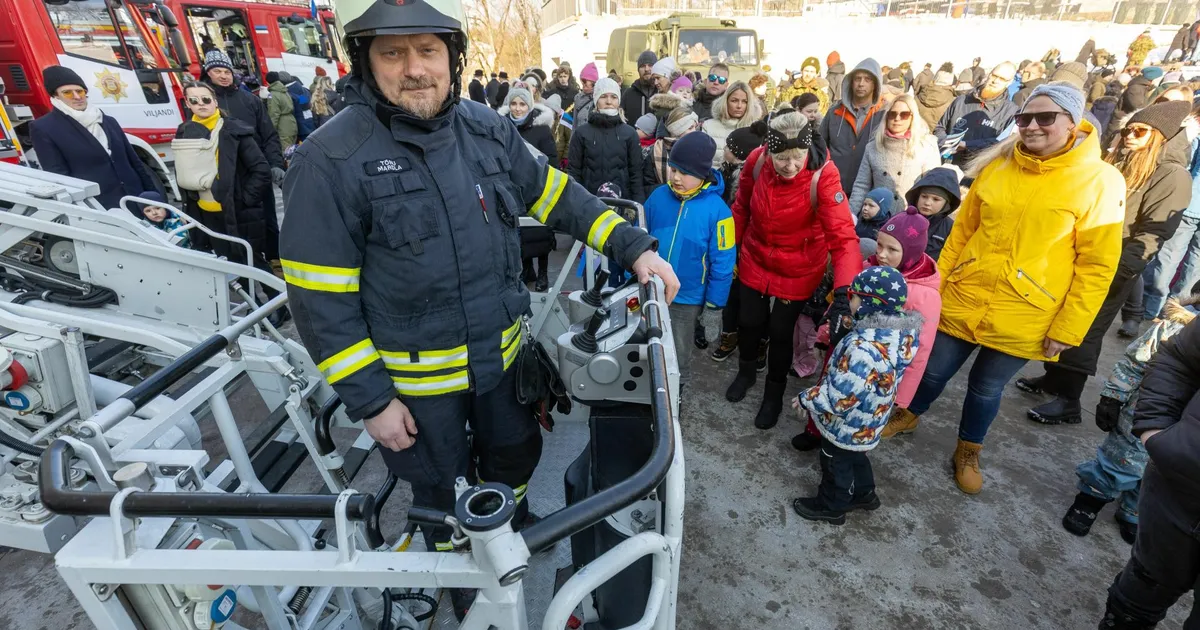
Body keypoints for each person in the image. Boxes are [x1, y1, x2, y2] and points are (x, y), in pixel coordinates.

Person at [278, 2, 679, 619]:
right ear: (365, 61)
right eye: (393, 53)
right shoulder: (329, 160)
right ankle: (464, 584)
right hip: (414, 388)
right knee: (439, 487)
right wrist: (372, 402)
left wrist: (634, 247)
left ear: (452, 58)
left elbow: (555, 195)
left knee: (515, 455)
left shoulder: (484, 128)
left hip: (501, 360)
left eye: (428, 51)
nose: (415, 69)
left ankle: (510, 525)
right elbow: (319, 301)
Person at [903, 84, 1126, 495]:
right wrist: (935, 284)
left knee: (986, 387)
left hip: (1027, 310)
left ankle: (968, 449)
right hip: (966, 294)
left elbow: (1098, 265)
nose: (1032, 126)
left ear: (1072, 122)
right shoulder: (999, 166)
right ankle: (910, 413)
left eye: (1046, 117)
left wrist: (1067, 328)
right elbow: (962, 234)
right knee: (932, 369)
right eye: (1024, 118)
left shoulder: (1101, 181)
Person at [1023, 100, 1193, 426]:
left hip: (1115, 265)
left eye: (1139, 131)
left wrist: (1123, 270)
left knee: (1087, 331)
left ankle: (1069, 401)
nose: (1129, 136)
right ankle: (1053, 380)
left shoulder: (1173, 175)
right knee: (1064, 318)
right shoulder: (1129, 160)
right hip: (1087, 255)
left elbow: (1155, 231)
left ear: (1160, 136)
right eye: (1127, 130)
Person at [725, 110, 859, 430]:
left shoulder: (822, 175)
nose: (789, 166)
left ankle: (774, 393)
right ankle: (746, 371)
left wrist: (844, 290)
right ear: (769, 151)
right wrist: (729, 251)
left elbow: (843, 237)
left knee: (782, 333)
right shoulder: (757, 161)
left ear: (806, 149)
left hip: (798, 266)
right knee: (749, 320)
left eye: (796, 157)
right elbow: (741, 206)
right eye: (781, 158)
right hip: (756, 256)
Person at [790, 266, 921, 524]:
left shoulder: (863, 348)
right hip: (871, 418)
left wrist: (807, 399)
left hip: (846, 425)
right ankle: (864, 493)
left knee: (835, 463)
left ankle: (832, 506)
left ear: (869, 304)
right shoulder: (899, 336)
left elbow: (840, 397)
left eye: (853, 295)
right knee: (856, 456)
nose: (849, 300)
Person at [1062, 297, 1195, 546]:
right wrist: (1113, 395)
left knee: (1160, 473)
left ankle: (1133, 510)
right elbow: (1136, 362)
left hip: (1188, 431)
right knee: (1118, 462)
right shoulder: (1178, 326)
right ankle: (1090, 499)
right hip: (1145, 414)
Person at [1097, 311, 1200, 629]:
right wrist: (1155, 429)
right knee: (1141, 586)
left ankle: (1128, 511)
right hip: (1175, 493)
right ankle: (1095, 499)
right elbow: (1178, 358)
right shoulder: (1174, 326)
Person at [173, 81, 277, 307]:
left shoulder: (235, 130)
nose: (201, 104)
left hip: (238, 211)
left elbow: (261, 170)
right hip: (206, 213)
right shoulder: (185, 131)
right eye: (194, 100)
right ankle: (255, 308)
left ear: (215, 101)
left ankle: (277, 306)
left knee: (254, 261)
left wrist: (244, 199)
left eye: (206, 99)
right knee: (231, 264)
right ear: (187, 104)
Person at [643, 131, 735, 376]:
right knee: (645, 344)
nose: (676, 177)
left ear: (703, 173)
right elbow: (640, 237)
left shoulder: (719, 212)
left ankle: (676, 391)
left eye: (685, 172)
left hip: (687, 298)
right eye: (673, 170)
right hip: (650, 287)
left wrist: (714, 307)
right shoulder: (657, 197)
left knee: (676, 352)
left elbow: (723, 263)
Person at [29, 66, 159, 214]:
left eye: (80, 91)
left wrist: (155, 198)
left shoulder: (108, 121)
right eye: (67, 93)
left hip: (136, 200)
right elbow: (58, 176)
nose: (77, 97)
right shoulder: (44, 127)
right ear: (56, 96)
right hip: (99, 206)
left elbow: (134, 163)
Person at [200, 50, 284, 270]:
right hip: (226, 175)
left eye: (226, 70)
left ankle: (274, 259)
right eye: (217, 71)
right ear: (208, 73)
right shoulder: (205, 103)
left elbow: (269, 135)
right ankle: (245, 263)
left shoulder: (249, 100)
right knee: (235, 221)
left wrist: (275, 164)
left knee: (267, 219)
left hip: (256, 171)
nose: (223, 75)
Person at [864, 207, 943, 439]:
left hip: (884, 376)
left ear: (911, 251)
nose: (882, 254)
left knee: (865, 422)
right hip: (856, 362)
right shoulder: (869, 269)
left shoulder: (924, 296)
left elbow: (920, 350)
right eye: (879, 245)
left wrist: (902, 396)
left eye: (892, 249)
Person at [1141, 104, 1200, 321]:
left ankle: (1150, 308)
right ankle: (1177, 314)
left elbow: (1183, 164)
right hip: (1188, 204)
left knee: (1168, 257)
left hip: (1187, 203)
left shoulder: (1193, 133)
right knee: (1195, 265)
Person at [847, 93, 941, 215]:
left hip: (909, 219)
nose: (897, 118)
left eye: (904, 114)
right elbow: (861, 186)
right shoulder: (873, 147)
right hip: (876, 217)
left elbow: (932, 189)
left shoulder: (926, 146)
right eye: (892, 114)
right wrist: (851, 216)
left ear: (913, 117)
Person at [567, 77, 645, 203]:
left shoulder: (629, 133)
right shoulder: (581, 133)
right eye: (603, 96)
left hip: (622, 203)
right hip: (589, 203)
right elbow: (574, 172)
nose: (609, 101)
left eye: (613, 97)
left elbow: (636, 174)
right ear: (596, 99)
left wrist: (638, 205)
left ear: (619, 100)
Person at [820, 58, 885, 195]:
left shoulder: (885, 114)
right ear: (851, 81)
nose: (861, 84)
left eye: (868, 79)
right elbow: (820, 146)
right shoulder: (835, 112)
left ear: (876, 84)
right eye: (858, 79)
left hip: (868, 191)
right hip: (834, 186)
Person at [934, 61, 1018, 167]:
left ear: (1009, 82)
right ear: (989, 74)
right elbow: (940, 127)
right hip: (945, 164)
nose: (995, 81)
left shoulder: (1010, 112)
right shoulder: (961, 100)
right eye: (994, 75)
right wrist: (945, 142)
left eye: (1002, 79)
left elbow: (1002, 143)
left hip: (976, 171)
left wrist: (967, 145)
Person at [701, 81, 763, 169]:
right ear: (725, 101)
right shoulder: (708, 126)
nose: (739, 106)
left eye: (745, 101)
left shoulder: (754, 131)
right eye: (734, 100)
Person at [905, 167, 962, 260]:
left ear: (946, 203)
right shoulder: (903, 219)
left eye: (936, 199)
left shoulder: (951, 228)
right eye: (924, 196)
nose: (927, 203)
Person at [642, 106, 699, 191]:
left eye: (695, 127)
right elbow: (647, 185)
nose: (694, 131)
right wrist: (670, 189)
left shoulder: (699, 149)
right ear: (677, 130)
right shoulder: (653, 152)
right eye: (690, 128)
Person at [504, 86, 557, 161]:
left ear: (529, 106)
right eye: (513, 104)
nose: (517, 109)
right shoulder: (502, 125)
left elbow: (551, 158)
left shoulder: (541, 128)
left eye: (522, 104)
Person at [621, 50, 658, 123]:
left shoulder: (662, 93)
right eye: (642, 66)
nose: (647, 69)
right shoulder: (628, 94)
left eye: (650, 65)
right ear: (638, 70)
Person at [916, 64, 957, 130]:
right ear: (950, 81)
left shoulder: (918, 96)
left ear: (935, 78)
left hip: (918, 135)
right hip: (938, 138)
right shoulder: (953, 101)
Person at [266, 72, 299, 149]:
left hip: (283, 126)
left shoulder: (273, 94)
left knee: (286, 153)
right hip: (292, 123)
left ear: (268, 82)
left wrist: (271, 131)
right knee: (292, 150)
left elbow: (274, 114)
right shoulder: (284, 90)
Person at [278, 72, 315, 142]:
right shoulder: (305, 90)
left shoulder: (288, 93)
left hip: (298, 126)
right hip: (310, 123)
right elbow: (305, 102)